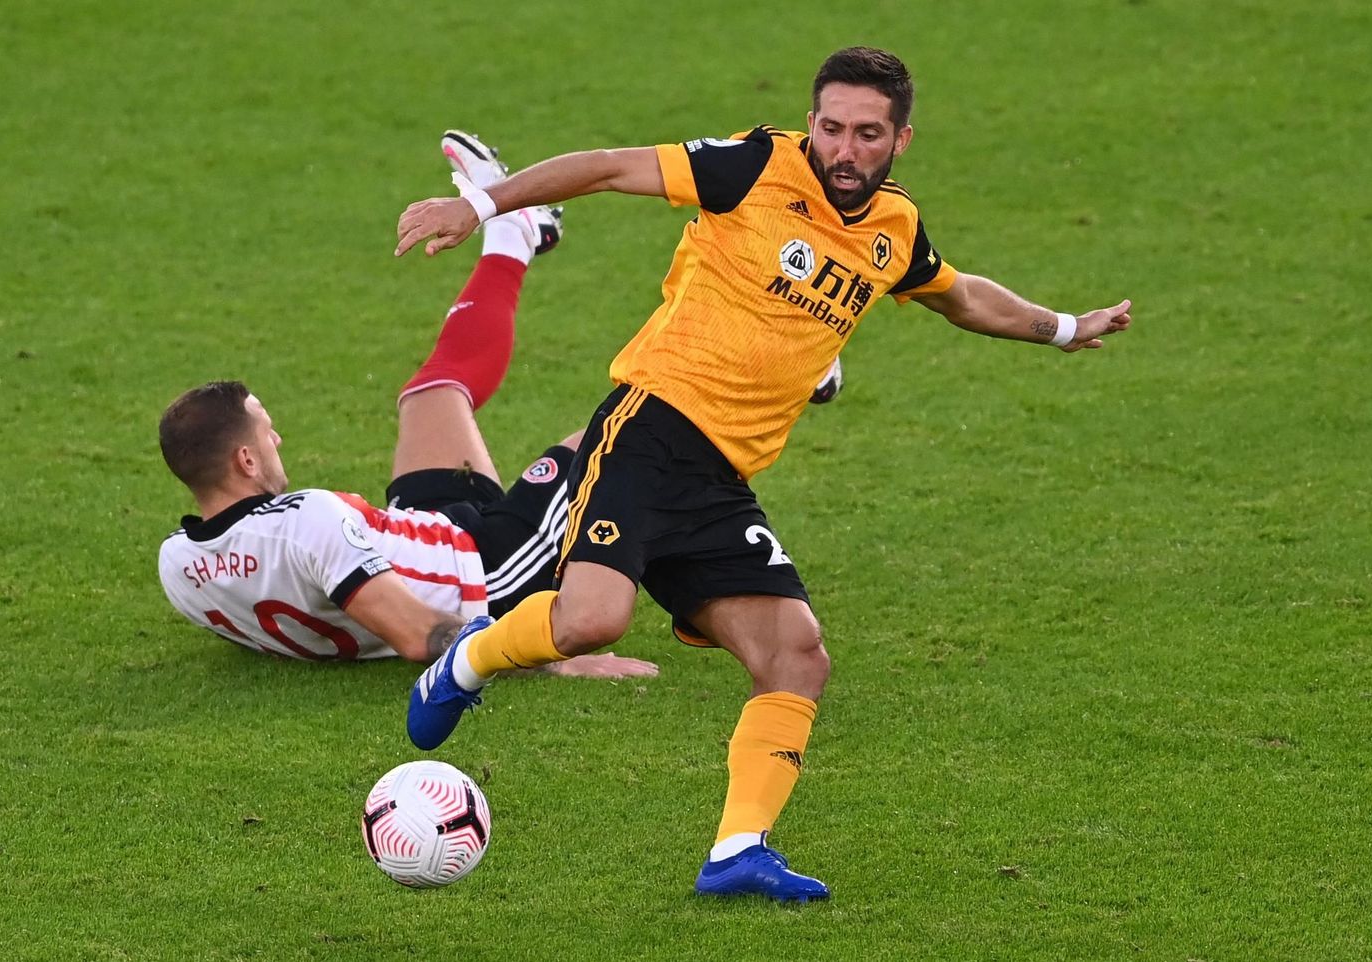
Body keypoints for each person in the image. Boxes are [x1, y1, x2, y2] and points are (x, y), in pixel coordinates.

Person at [394, 47, 1132, 902]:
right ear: (811, 121)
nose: (844, 150)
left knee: (796, 654)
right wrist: (477, 205)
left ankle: (737, 851)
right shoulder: (751, 166)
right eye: (831, 127)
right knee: (592, 620)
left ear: (901, 139)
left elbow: (961, 295)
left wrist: (1066, 328)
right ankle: (468, 661)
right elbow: (605, 167)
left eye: (867, 134)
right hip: (648, 431)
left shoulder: (894, 229)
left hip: (721, 482)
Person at [157, 131, 657, 680]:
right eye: (266, 430)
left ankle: (515, 233)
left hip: (430, 533)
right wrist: (550, 664)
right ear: (246, 460)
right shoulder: (307, 521)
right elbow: (423, 635)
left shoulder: (178, 564)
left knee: (431, 393)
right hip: (493, 571)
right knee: (633, 428)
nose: (277, 440)